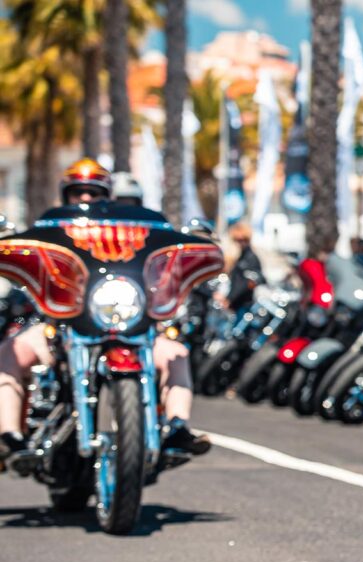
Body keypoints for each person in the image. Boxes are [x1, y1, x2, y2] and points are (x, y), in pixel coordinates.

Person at [0, 158, 210, 463]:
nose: (86, 198)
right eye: (78, 192)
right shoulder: (50, 228)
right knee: (11, 350)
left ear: (107, 196)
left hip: (124, 320)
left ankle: (178, 427)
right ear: (66, 195)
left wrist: (191, 242)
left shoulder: (131, 233)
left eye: (94, 192)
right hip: (59, 325)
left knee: (176, 353)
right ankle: (10, 437)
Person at [216, 222, 263, 313]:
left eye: (243, 240)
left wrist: (229, 299)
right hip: (235, 303)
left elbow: (248, 283)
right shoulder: (239, 256)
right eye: (237, 240)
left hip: (244, 303)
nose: (240, 243)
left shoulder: (251, 258)